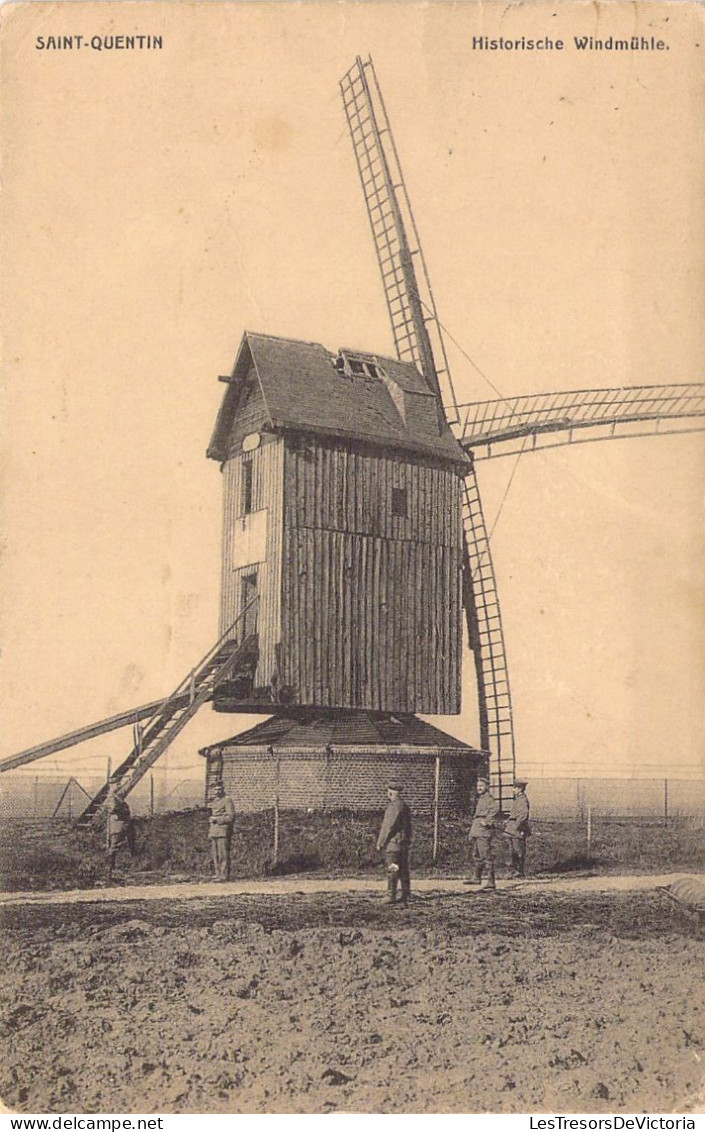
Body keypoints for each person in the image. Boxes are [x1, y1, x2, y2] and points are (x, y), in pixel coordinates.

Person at [376, 784, 412, 906]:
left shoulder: (393, 807)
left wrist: (381, 842)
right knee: (403, 869)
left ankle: (391, 895)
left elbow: (388, 826)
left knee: (393, 868)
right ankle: (406, 894)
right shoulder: (404, 806)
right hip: (403, 843)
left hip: (393, 844)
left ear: (390, 793)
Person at [466, 775, 500, 891]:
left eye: (481, 786)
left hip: (483, 832)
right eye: (478, 786)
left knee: (485, 856)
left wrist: (487, 821)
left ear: (487, 787)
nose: (479, 788)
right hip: (476, 830)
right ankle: (477, 877)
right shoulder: (480, 798)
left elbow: (495, 810)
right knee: (476, 855)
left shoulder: (489, 799)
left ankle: (491, 881)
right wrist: (471, 832)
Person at [106, 786, 136, 884]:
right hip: (118, 826)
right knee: (114, 846)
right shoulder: (113, 798)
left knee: (121, 845)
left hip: (122, 825)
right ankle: (110, 870)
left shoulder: (117, 798)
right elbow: (113, 809)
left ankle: (116, 868)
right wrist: (124, 811)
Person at [208, 780, 235, 881]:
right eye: (215, 790)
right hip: (214, 830)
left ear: (223, 789)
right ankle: (217, 873)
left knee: (223, 854)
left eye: (219, 789)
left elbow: (230, 816)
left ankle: (224, 875)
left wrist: (217, 820)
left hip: (223, 831)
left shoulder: (227, 800)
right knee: (215, 854)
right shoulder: (214, 801)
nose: (217, 791)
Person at [504, 779, 531, 877]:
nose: (513, 790)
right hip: (511, 828)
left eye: (515, 788)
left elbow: (523, 815)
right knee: (511, 851)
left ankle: (519, 871)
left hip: (517, 829)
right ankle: (512, 870)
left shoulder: (523, 800)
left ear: (520, 789)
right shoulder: (518, 800)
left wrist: (516, 826)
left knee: (518, 850)